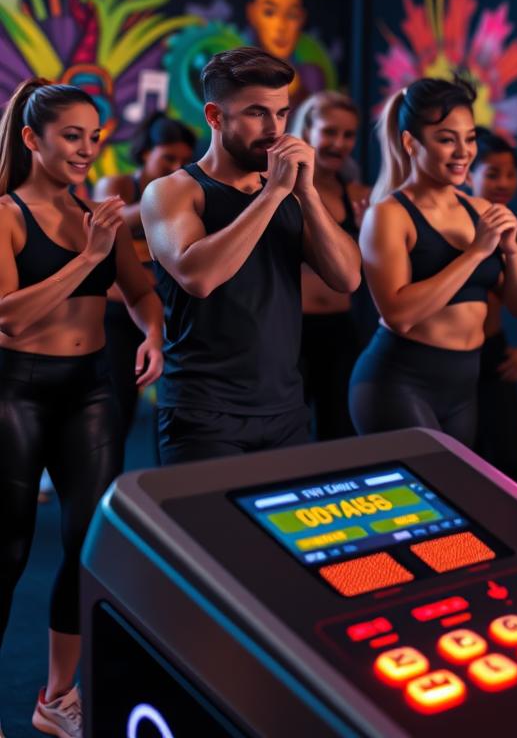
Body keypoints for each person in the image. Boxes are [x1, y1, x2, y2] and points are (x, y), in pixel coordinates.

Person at [0, 79, 163, 738]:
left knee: (86, 546)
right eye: (72, 135)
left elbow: (142, 290)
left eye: (93, 137)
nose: (86, 149)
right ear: (34, 139)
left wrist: (152, 331)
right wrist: (89, 256)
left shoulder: (102, 216)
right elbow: (8, 318)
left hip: (91, 388)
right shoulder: (8, 214)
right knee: (8, 552)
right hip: (16, 388)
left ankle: (58, 696)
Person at [141, 47, 361, 465]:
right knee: (206, 532)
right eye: (257, 113)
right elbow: (198, 276)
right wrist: (274, 192)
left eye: (281, 114)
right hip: (203, 413)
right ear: (215, 116)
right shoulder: (173, 192)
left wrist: (307, 194)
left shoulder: (293, 193)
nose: (274, 128)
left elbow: (348, 278)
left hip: (285, 409)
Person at [350, 79, 517, 445]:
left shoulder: (479, 210)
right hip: (397, 383)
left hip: (463, 387)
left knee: (457, 499)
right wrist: (476, 253)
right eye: (447, 139)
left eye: (469, 139)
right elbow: (399, 315)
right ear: (410, 143)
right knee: (423, 499)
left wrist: (511, 252)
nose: (463, 152)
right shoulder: (389, 215)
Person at [94, 111, 195, 440]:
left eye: (183, 160)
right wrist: (165, 202)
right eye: (168, 157)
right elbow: (112, 224)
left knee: (172, 407)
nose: (176, 167)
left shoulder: (180, 192)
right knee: (118, 406)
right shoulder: (118, 185)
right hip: (117, 313)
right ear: (144, 153)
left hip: (165, 311)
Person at [290, 91, 369, 440]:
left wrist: (370, 232)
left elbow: (366, 271)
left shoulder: (357, 196)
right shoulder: (283, 190)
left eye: (348, 134)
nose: (339, 143)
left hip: (340, 329)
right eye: (330, 132)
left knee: (339, 431)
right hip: (290, 328)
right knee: (288, 432)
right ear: (307, 131)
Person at [468, 129, 517, 478]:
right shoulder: (456, 223)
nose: (503, 182)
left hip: (495, 351)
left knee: (508, 457)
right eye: (492, 173)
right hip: (453, 355)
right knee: (465, 458)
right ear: (469, 174)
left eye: (510, 174)